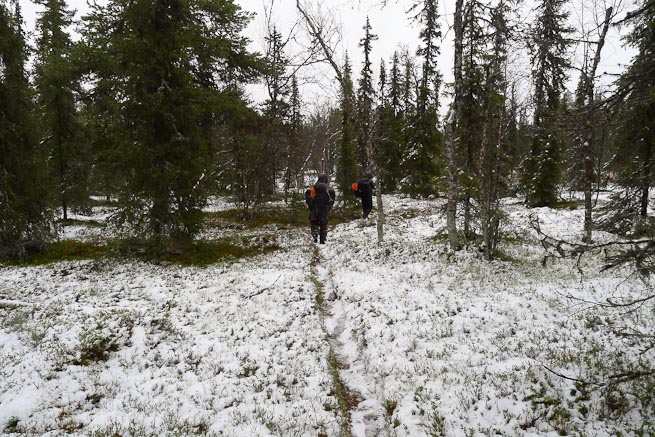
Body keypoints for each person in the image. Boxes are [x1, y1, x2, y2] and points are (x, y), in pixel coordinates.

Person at [305, 174, 336, 244]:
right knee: (323, 224)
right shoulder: (328, 188)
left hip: (314, 208)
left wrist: (311, 205)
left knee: (313, 221)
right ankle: (322, 240)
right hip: (324, 209)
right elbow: (332, 200)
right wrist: (328, 207)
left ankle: (315, 232)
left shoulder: (313, 188)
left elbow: (308, 198)